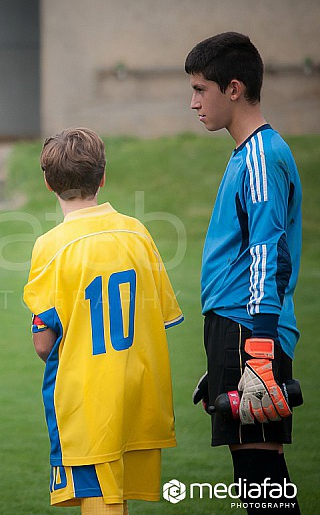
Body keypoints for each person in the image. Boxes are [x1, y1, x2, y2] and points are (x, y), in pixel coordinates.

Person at [23, 128, 183, 514]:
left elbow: (44, 342)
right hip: (140, 395)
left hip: (89, 401)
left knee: (102, 503)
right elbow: (158, 317)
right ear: (103, 177)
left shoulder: (50, 245)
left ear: (48, 183)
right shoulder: (138, 232)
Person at [186, 32, 302, 514]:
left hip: (247, 327)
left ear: (233, 88)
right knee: (257, 477)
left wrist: (254, 352)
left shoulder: (259, 156)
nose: (193, 102)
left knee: (261, 477)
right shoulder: (250, 153)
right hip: (235, 328)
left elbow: (267, 256)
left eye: (200, 89)